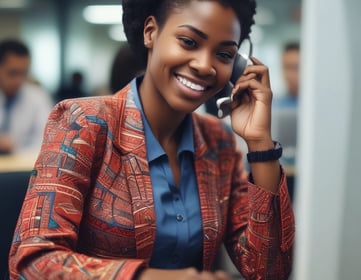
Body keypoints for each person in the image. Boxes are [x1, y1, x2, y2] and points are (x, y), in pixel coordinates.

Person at [9, 1, 295, 279]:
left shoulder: (218, 141)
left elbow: (268, 272)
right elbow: (33, 262)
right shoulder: (84, 123)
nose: (205, 65)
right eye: (189, 42)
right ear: (150, 32)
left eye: (224, 55)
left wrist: (260, 143)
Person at [0, 39, 53, 154]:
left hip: (23, 167)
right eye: (13, 73)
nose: (19, 80)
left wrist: (15, 150)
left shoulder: (38, 97)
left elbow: (46, 142)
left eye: (24, 73)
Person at [273, 42, 300, 108]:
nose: (288, 74)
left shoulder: (314, 105)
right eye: (285, 67)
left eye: (294, 67)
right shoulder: (275, 105)